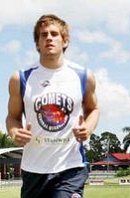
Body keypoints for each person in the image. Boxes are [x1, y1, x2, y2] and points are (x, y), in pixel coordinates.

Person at [6, 14, 100, 198]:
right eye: (43, 34)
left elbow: (93, 109)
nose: (49, 37)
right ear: (37, 43)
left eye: (54, 34)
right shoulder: (21, 78)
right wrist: (15, 132)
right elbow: (12, 117)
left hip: (70, 167)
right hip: (34, 168)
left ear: (65, 41)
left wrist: (87, 128)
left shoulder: (83, 76)